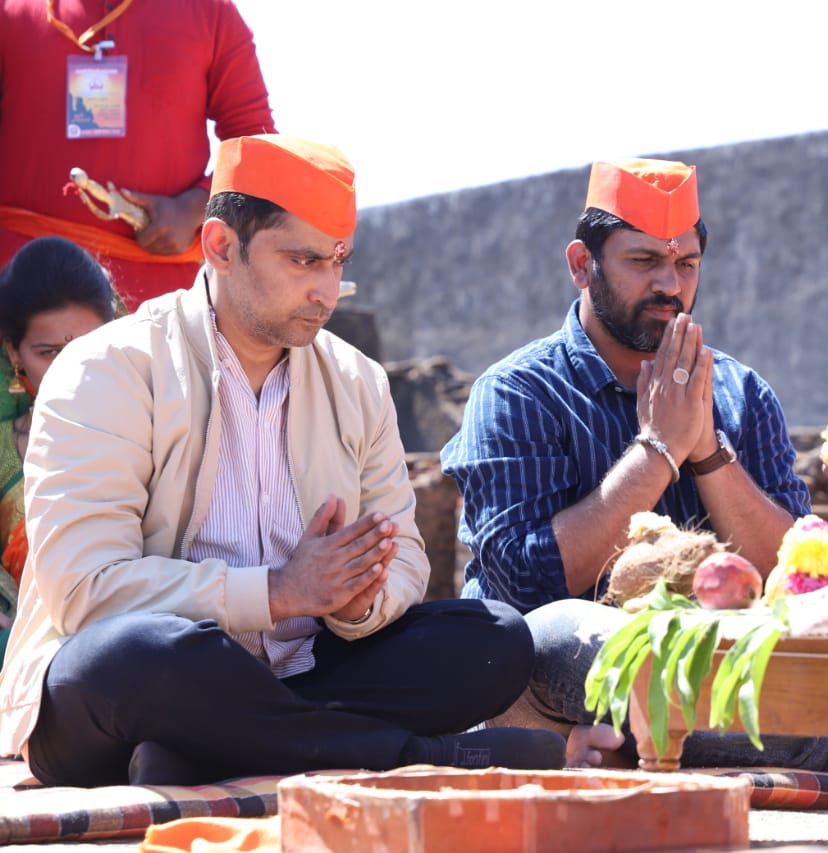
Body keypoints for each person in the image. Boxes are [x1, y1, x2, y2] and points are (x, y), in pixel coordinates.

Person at [0, 134, 564, 786]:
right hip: (139, 681)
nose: (327, 290)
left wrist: (357, 601)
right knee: (138, 656)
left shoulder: (357, 381)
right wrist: (276, 592)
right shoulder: (104, 370)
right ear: (220, 247)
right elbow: (87, 592)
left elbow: (405, 556)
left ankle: (218, 751)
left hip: (302, 667)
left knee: (494, 638)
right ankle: (418, 755)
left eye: (337, 260)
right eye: (303, 261)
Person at [442, 157, 828, 773]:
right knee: (568, 631)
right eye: (644, 261)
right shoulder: (518, 391)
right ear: (581, 265)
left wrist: (706, 452)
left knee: (824, 640)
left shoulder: (741, 393)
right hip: (560, 671)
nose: (670, 286)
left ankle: (654, 745)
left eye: (685, 264)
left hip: (723, 658)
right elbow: (526, 586)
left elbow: (793, 578)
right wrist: (656, 450)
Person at [0, 0, 277, 310]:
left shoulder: (210, 11)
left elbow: (257, 145)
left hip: (161, 304)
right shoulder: (10, 10)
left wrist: (194, 207)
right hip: (20, 297)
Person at [0, 236, 120, 660]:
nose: (73, 367)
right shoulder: (4, 455)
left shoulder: (161, 429)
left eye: (90, 347)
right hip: (33, 660)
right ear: (15, 353)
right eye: (49, 352)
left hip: (147, 639)